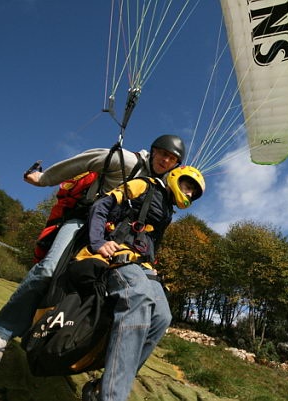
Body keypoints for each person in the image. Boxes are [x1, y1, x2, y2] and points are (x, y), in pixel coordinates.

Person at [0, 135, 186, 367]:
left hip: (116, 239)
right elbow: (86, 160)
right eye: (163, 154)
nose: (166, 161)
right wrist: (44, 179)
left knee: (119, 297)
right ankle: (1, 333)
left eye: (172, 159)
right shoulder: (126, 161)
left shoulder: (164, 186)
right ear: (154, 151)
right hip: (85, 222)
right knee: (48, 270)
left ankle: (86, 356)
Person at [75, 165, 205, 401]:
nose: (188, 194)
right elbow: (102, 205)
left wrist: (152, 263)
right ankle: (112, 396)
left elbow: (149, 241)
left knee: (162, 317)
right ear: (176, 177)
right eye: (188, 187)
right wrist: (98, 242)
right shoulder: (143, 184)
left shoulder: (167, 211)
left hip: (143, 265)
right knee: (139, 298)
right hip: (119, 254)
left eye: (192, 193)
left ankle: (104, 385)